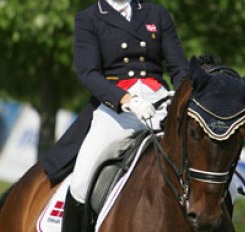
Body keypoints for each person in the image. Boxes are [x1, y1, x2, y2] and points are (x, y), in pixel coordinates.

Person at [46, 0, 188, 231]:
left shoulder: (156, 13)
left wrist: (181, 98)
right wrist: (127, 100)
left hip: (160, 103)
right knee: (81, 181)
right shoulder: (90, 18)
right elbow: (88, 72)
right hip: (117, 109)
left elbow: (179, 67)